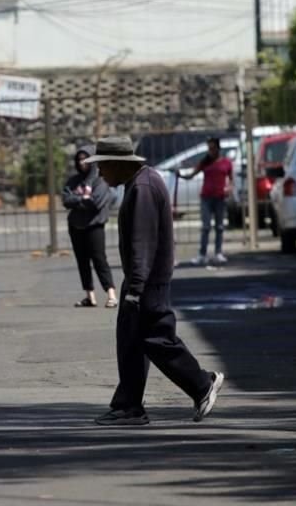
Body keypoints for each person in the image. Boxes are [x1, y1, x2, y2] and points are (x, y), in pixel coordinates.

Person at [83, 136, 224, 426]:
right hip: (141, 279)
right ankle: (129, 406)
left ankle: (201, 383)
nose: (100, 174)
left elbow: (142, 243)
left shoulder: (143, 188)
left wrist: (135, 289)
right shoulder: (139, 182)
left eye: (102, 167)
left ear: (116, 164)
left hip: (147, 281)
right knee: (130, 341)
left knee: (156, 338)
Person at [62, 146, 118, 309]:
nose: (82, 162)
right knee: (82, 261)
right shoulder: (73, 181)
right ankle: (89, 296)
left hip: (94, 225)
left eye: (85, 158)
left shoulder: (100, 180)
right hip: (76, 225)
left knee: (99, 259)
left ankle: (111, 294)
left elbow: (96, 202)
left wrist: (78, 199)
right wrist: (83, 198)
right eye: (79, 159)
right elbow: (66, 199)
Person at [178, 137, 233, 266]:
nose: (211, 151)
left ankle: (218, 253)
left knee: (219, 227)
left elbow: (231, 178)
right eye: (209, 149)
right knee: (206, 227)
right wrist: (180, 175)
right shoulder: (205, 162)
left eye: (213, 148)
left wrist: (230, 187)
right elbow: (192, 175)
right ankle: (202, 254)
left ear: (218, 149)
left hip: (220, 198)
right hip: (206, 198)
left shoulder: (226, 162)